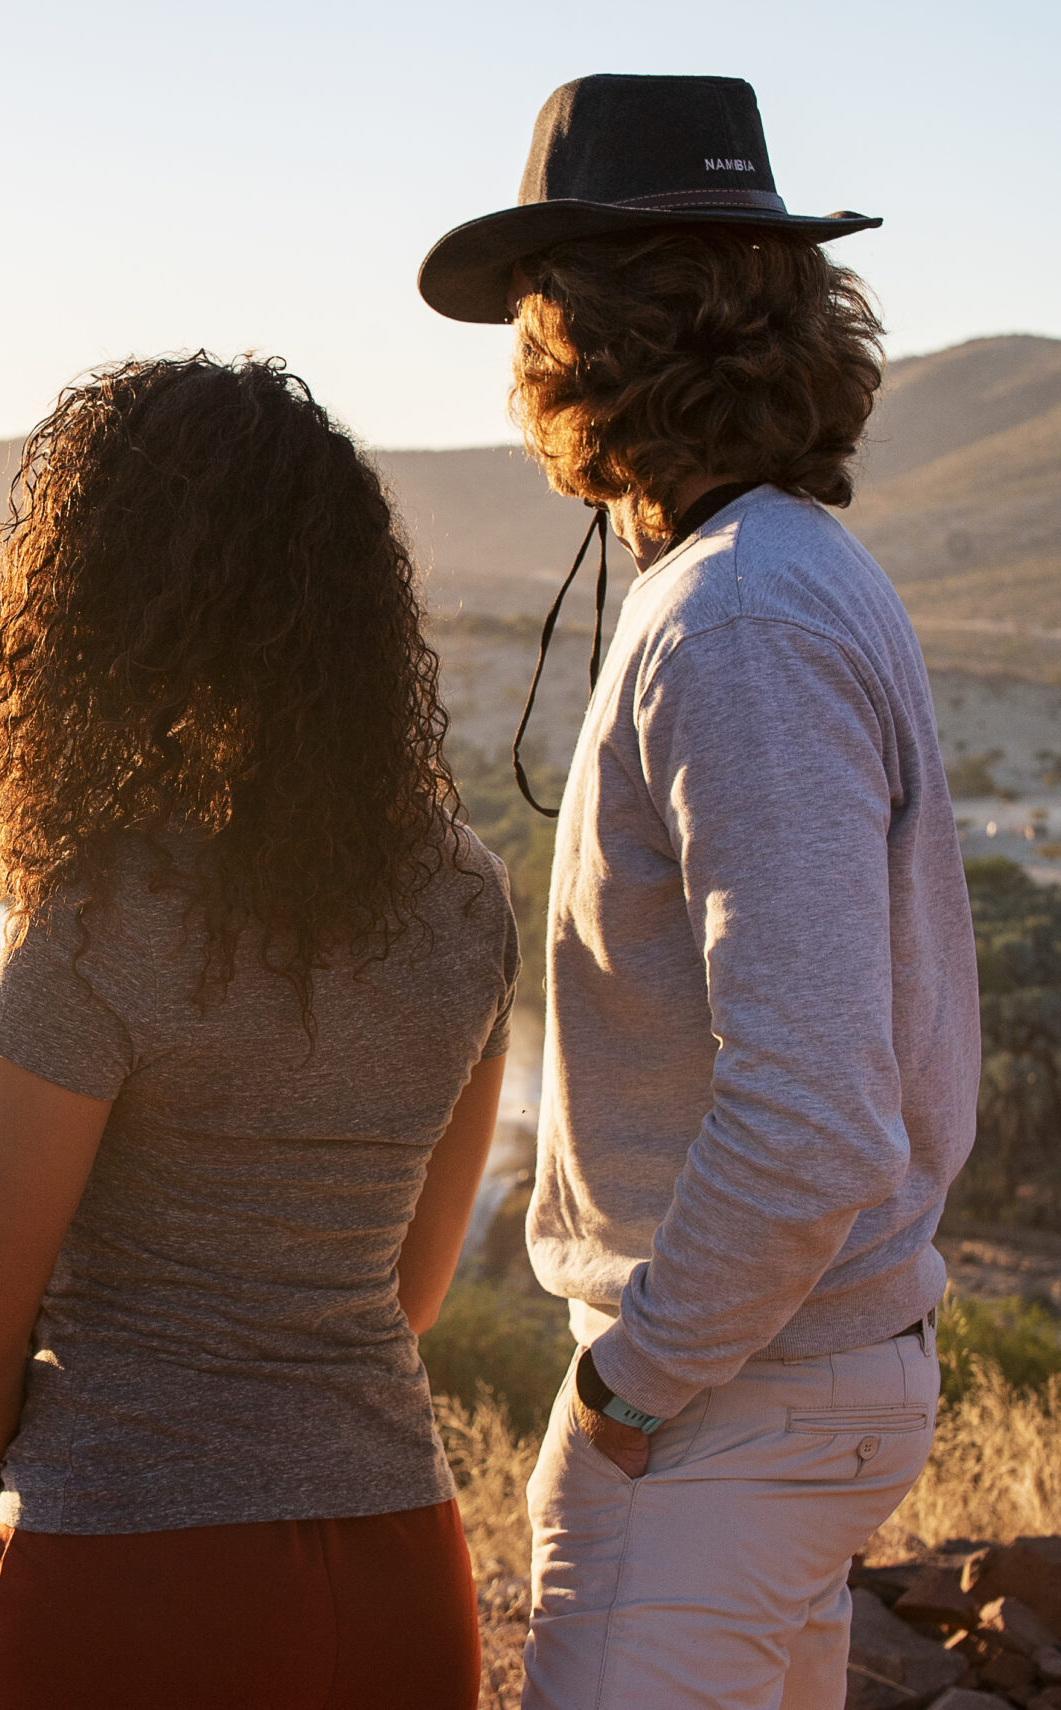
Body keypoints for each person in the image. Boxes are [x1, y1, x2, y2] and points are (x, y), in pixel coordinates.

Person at [417, 75, 981, 1709]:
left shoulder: (737, 627)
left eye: (535, 308)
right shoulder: (778, 581)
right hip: (781, 1388)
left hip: (730, 1413)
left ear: (581, 344)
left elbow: (810, 1106)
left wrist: (631, 1389)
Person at [0, 353, 519, 1709]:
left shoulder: (102, 911)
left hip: (123, 1578)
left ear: (101, 607)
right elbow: (404, 1294)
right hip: (395, 1567)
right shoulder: (464, 893)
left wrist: (88, 1477)